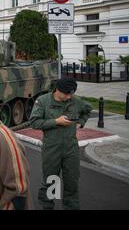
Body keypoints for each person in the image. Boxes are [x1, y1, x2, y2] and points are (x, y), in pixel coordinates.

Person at [30, 77, 92, 210]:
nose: (69, 96)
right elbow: (34, 123)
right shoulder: (43, 101)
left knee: (72, 181)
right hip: (52, 148)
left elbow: (88, 109)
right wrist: (56, 121)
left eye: (71, 93)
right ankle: (48, 206)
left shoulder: (75, 101)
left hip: (71, 148)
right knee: (52, 180)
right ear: (58, 90)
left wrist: (81, 122)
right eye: (67, 94)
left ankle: (71, 207)